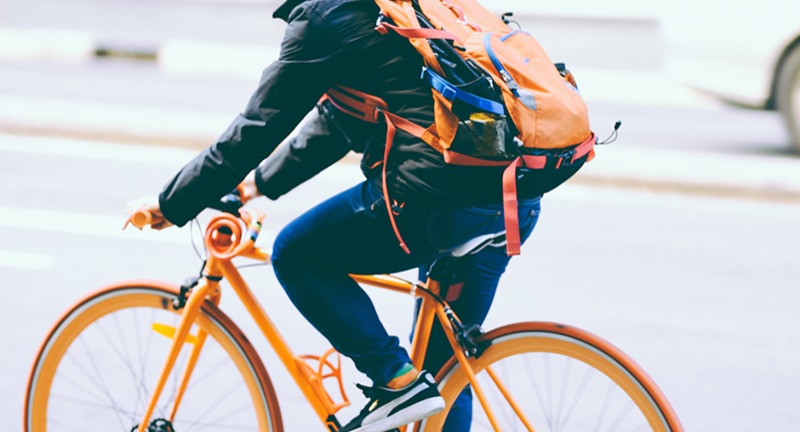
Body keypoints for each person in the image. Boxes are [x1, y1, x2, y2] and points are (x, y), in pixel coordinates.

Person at [125, 0, 589, 430]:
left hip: (433, 206)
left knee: (296, 254)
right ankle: (412, 385)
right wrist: (256, 187)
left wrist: (171, 204)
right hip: (512, 199)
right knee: (445, 372)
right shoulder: (403, 5)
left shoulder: (322, 20)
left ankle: (392, 379)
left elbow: (254, 129)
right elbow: (342, 119)